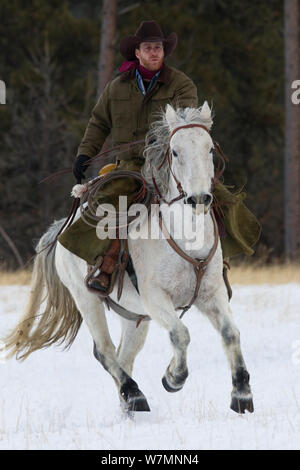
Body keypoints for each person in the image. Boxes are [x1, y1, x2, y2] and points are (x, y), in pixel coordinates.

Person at [58, 20, 260, 295]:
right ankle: (105, 265)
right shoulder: (116, 88)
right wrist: (84, 154)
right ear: (137, 53)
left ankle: (219, 264)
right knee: (110, 202)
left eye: (158, 48)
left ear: (164, 52)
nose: (154, 53)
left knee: (221, 199)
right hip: (129, 165)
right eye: (148, 48)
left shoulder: (181, 83)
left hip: (172, 162)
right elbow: (98, 123)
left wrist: (162, 141)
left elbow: (187, 124)